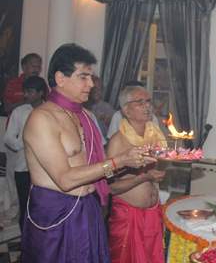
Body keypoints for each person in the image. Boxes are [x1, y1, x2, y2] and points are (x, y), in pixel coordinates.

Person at [21, 43, 157, 262]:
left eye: (91, 77)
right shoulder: (42, 118)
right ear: (60, 78)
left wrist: (132, 158)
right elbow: (65, 179)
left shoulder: (84, 115)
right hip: (56, 215)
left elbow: (95, 165)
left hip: (87, 209)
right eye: (83, 77)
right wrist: (119, 160)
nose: (91, 84)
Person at [107, 85, 167, 263]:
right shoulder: (118, 141)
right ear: (126, 110)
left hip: (153, 212)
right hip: (128, 216)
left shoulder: (155, 135)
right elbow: (110, 187)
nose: (147, 106)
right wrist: (144, 177)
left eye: (148, 101)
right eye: (140, 102)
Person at [4, 76, 48, 231]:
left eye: (30, 92)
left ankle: (40, 243)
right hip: (23, 168)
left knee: (42, 207)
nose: (26, 95)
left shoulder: (50, 110)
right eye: (25, 92)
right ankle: (25, 244)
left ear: (41, 93)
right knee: (25, 206)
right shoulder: (19, 111)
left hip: (46, 169)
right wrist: (25, 144)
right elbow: (8, 138)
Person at [84, 75, 115, 139]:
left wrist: (108, 121)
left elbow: (114, 128)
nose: (96, 91)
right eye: (94, 88)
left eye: (99, 89)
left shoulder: (107, 108)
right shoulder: (81, 106)